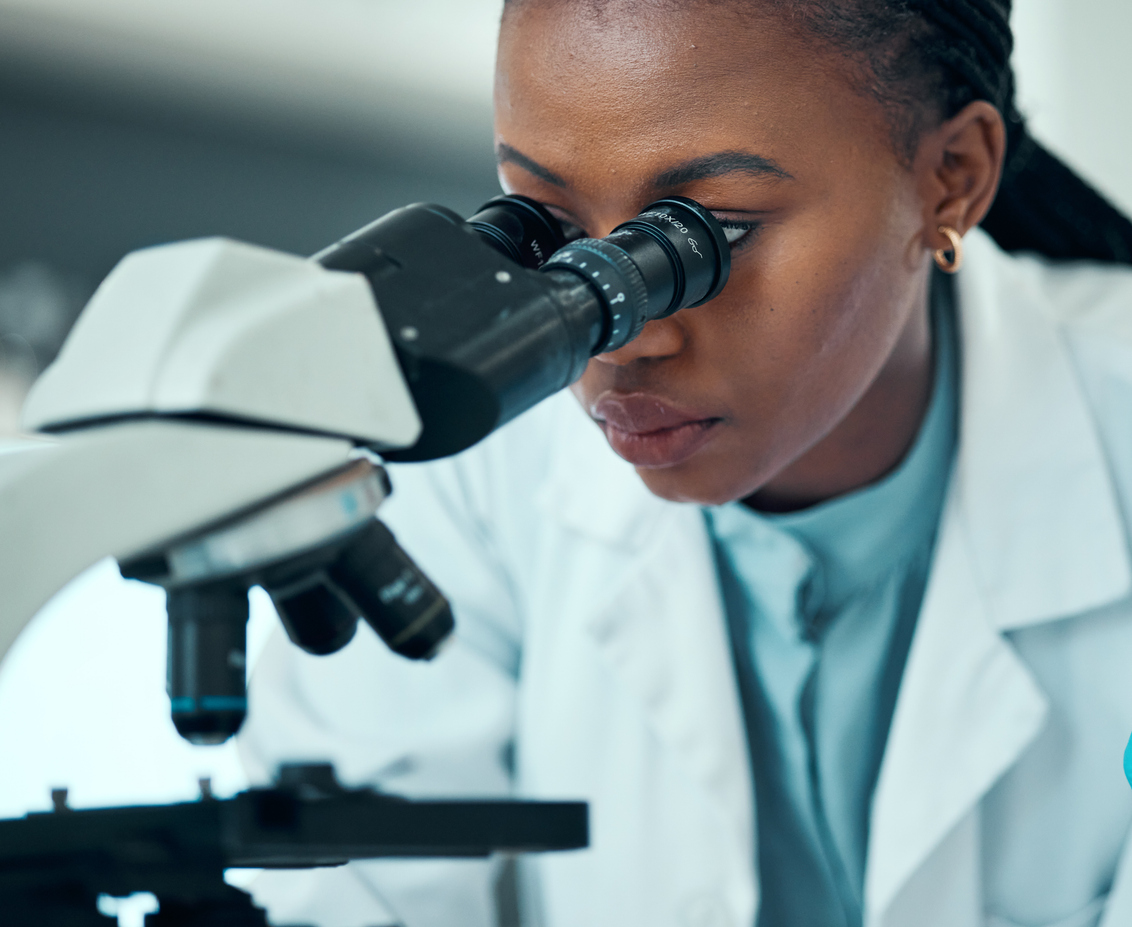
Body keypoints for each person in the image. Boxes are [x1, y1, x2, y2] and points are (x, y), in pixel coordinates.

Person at [239, 2, 1132, 925]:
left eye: (707, 234)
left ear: (952, 178)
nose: (622, 336)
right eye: (545, 226)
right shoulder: (475, 459)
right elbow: (348, 888)